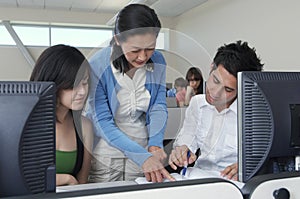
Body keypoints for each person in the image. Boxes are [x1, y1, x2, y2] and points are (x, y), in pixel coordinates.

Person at [85, 4, 174, 183]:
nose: (142, 56)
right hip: (108, 154)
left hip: (144, 150)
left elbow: (158, 105)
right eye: (135, 50)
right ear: (118, 39)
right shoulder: (98, 65)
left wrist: (155, 144)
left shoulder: (158, 61)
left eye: (150, 48)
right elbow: (102, 121)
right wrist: (142, 156)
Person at [168, 40, 264, 181]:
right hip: (199, 178)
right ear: (211, 67)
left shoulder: (255, 114)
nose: (215, 93)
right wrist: (182, 151)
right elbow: (187, 140)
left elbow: (268, 160)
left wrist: (248, 168)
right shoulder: (197, 104)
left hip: (234, 184)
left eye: (228, 89)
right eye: (215, 80)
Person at [30, 44, 93, 186]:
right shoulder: (27, 124)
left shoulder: (84, 126)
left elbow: (81, 184)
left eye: (85, 82)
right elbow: (19, 178)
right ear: (54, 84)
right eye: (74, 85)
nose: (82, 91)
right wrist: (66, 179)